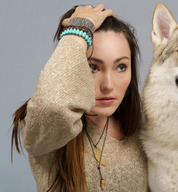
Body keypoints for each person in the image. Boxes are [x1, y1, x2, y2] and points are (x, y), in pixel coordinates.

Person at [11, 4, 148, 192]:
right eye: (93, 67)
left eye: (121, 67)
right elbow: (52, 105)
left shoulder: (144, 127)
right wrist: (78, 31)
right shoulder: (41, 125)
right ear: (70, 63)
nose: (108, 85)